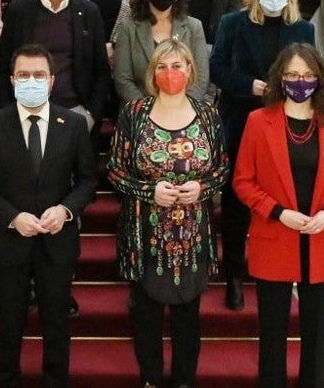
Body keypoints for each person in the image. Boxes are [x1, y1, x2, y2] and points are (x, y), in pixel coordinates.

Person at [0, 43, 97, 388]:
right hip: (9, 242)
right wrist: (12, 217)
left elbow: (88, 180)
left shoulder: (72, 124)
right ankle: (7, 378)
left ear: (52, 81)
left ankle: (56, 379)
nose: (31, 81)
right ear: (12, 80)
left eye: (38, 75)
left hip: (57, 242)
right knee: (9, 322)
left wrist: (66, 209)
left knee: (56, 320)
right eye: (23, 75)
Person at [233, 43, 324, 388]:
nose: (299, 82)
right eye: (291, 75)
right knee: (272, 336)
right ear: (280, 78)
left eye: (307, 75)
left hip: (322, 240)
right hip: (274, 237)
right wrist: (278, 212)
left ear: (319, 80)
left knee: (316, 339)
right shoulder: (259, 122)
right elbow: (243, 181)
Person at [109, 38, 227, 388]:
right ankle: (150, 378)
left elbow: (222, 169)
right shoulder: (134, 113)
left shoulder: (208, 114)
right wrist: (150, 191)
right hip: (146, 233)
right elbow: (115, 170)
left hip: (193, 235)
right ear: (152, 73)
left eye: (177, 66)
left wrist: (202, 189)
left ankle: (184, 380)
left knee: (188, 316)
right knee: (145, 315)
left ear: (190, 70)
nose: (170, 73)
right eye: (162, 66)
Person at [210, 0, 314, 311]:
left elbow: (312, 73)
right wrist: (248, 85)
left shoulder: (302, 28)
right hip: (242, 121)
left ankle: (277, 269)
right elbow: (217, 68)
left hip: (289, 125)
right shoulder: (233, 24)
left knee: (281, 196)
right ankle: (235, 274)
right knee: (238, 201)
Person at [0, 0, 110, 130]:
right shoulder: (19, 11)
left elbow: (101, 70)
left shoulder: (89, 12)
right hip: (27, 111)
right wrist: (9, 114)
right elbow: (3, 67)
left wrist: (91, 115)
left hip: (76, 112)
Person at [112, 0, 210, 104]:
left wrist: (182, 106)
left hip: (185, 110)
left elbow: (201, 77)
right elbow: (122, 79)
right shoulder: (128, 27)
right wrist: (148, 110)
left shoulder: (194, 26)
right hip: (140, 111)